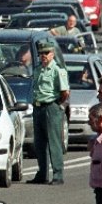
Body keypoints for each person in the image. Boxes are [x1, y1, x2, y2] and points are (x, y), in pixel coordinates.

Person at [26, 41, 70, 185]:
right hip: (38, 107)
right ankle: (42, 174)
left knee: (54, 142)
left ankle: (58, 174)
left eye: (46, 53)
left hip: (51, 107)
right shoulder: (38, 69)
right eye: (41, 54)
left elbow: (64, 92)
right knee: (39, 143)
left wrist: (56, 103)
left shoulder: (58, 70)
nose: (43, 56)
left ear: (52, 54)